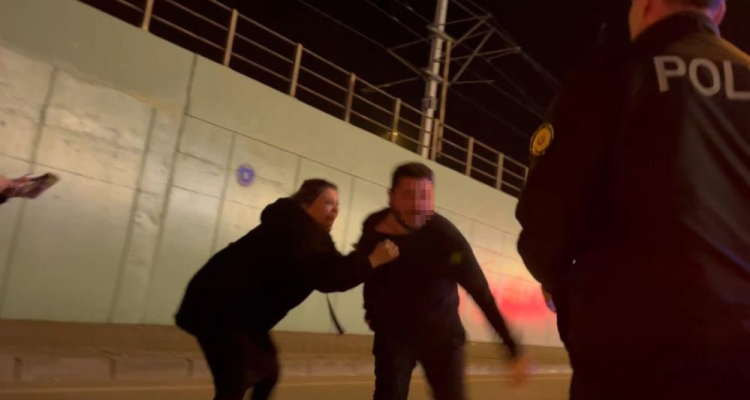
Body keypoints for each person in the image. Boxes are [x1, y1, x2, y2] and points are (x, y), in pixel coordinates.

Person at [516, 0, 750, 398]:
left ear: (646, 5)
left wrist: (559, 286)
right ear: (720, 12)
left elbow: (546, 221)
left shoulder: (609, 77)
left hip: (628, 357)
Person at [175, 179, 400, 400]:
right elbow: (328, 276)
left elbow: (330, 266)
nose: (335, 210)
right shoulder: (294, 229)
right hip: (215, 307)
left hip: (241, 316)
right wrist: (372, 260)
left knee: (266, 373)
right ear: (305, 204)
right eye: (328, 203)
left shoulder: (310, 233)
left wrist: (365, 259)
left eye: (337, 205)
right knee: (239, 376)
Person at [356, 163, 526, 400]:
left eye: (425, 197)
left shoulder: (447, 239)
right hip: (394, 334)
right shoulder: (374, 227)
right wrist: (371, 310)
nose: (418, 205)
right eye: (408, 195)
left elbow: (481, 293)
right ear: (391, 196)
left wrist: (512, 349)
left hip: (442, 337)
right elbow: (370, 272)